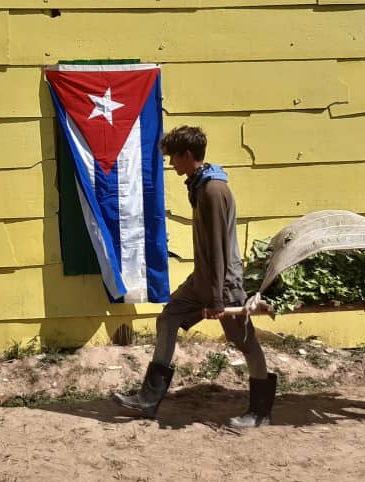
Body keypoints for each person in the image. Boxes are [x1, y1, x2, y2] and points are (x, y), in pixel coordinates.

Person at [113, 126, 277, 428]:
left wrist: (216, 299)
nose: (171, 164)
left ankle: (260, 412)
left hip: (222, 282)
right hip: (202, 278)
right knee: (168, 317)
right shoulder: (200, 183)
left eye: (173, 158)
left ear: (187, 155)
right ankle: (147, 400)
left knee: (244, 341)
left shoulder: (213, 191)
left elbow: (217, 249)